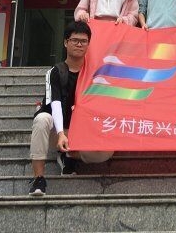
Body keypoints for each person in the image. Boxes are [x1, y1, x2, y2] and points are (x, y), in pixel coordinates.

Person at [29, 21, 113, 197]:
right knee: (42, 119)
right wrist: (61, 134)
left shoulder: (95, 73)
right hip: (56, 130)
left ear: (89, 44)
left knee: (106, 151)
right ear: (65, 42)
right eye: (75, 40)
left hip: (82, 130)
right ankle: (38, 178)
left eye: (83, 41)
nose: (79, 44)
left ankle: (69, 155)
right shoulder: (55, 72)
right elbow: (55, 104)